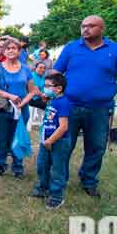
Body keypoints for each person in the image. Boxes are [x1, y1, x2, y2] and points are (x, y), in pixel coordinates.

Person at [52, 15, 117, 198]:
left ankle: (89, 180)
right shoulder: (71, 48)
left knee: (96, 147)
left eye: (91, 26)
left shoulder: (116, 50)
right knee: (64, 145)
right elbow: (56, 73)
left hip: (100, 109)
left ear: (101, 29)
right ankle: (59, 180)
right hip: (70, 107)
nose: (85, 29)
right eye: (83, 26)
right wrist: (53, 96)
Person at [0, 38, 40, 178]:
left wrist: (23, 103)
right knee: (1, 138)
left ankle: (18, 167)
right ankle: (0, 164)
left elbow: (32, 90)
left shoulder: (25, 69)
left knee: (18, 137)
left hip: (21, 109)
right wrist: (10, 96)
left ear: (19, 51)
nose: (11, 50)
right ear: (4, 51)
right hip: (4, 108)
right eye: (8, 48)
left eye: (14, 48)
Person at [30, 73, 72, 210]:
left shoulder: (63, 103)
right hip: (46, 140)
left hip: (58, 142)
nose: (45, 89)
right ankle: (43, 188)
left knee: (57, 169)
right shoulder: (52, 100)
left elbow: (63, 126)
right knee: (42, 165)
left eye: (48, 86)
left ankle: (56, 196)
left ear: (58, 88)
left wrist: (50, 141)